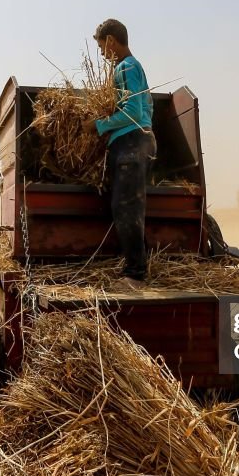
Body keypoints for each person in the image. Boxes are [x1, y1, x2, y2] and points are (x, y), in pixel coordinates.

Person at [85, 18, 156, 289]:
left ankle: (135, 276)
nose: (103, 54)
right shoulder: (129, 68)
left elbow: (134, 112)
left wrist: (99, 125)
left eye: (103, 47)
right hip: (132, 143)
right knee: (126, 206)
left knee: (126, 208)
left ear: (112, 41)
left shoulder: (126, 67)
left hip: (132, 143)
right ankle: (138, 268)